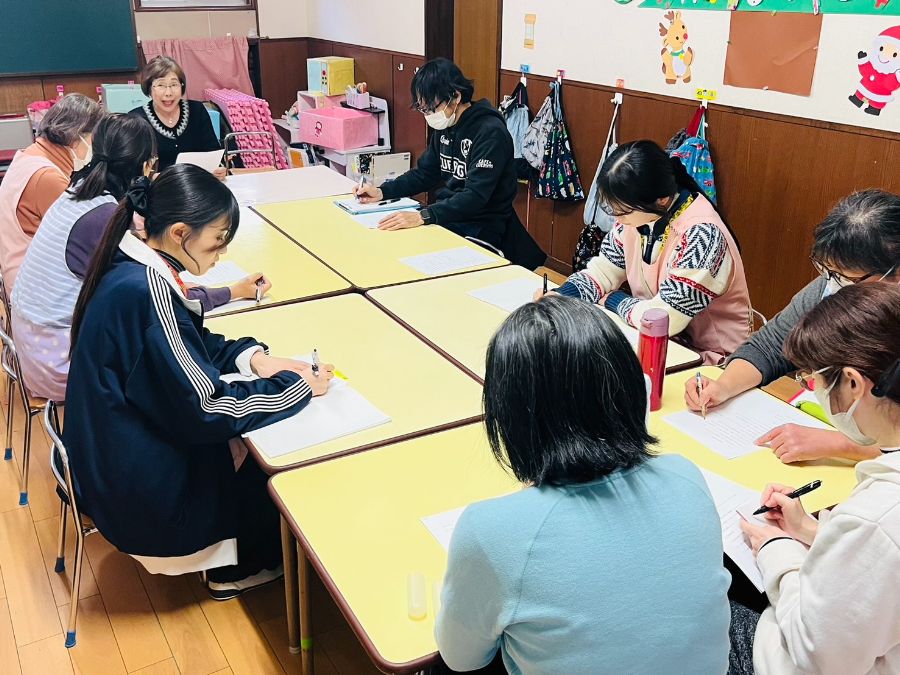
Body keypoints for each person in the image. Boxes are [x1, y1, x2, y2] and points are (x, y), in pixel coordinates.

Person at [64, 164, 333, 599]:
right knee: (272, 451)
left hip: (112, 464)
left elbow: (187, 337)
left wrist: (255, 358)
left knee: (252, 430)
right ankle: (237, 569)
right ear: (179, 233)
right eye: (216, 241)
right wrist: (295, 387)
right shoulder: (147, 290)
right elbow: (208, 409)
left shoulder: (130, 263)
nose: (220, 254)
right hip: (147, 501)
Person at [435, 295, 731, 673]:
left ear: (509, 415)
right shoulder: (686, 476)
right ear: (629, 390)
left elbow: (461, 658)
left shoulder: (490, 531)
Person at [10, 114, 270, 402]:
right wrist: (233, 291)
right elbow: (161, 296)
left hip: (35, 343)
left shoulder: (79, 191)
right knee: (180, 374)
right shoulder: (103, 221)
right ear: (147, 165)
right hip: (62, 363)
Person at [735, 281, 900, 674]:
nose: (814, 389)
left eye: (815, 381)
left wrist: (777, 549)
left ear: (853, 384)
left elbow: (817, 656)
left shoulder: (877, 516)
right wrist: (811, 530)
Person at [685, 190, 899, 464]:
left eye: (847, 277)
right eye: (829, 272)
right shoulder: (835, 285)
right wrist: (723, 386)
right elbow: (770, 345)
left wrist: (840, 444)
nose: (834, 285)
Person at [540, 140, 751, 365]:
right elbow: (603, 271)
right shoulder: (636, 218)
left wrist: (612, 299)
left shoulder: (703, 236)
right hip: (661, 343)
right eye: (612, 208)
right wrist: (563, 295)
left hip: (714, 360)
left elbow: (663, 319)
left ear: (661, 200)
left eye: (623, 211)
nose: (616, 218)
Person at [352, 58, 517, 251]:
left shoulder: (490, 132)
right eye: (424, 109)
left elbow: (475, 197)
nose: (429, 115)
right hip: (449, 218)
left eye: (433, 108)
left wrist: (424, 216)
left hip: (481, 226)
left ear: (456, 96)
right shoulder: (446, 125)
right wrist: (382, 192)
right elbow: (425, 173)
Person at [0, 93, 104, 292]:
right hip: (36, 288)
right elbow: (83, 236)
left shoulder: (30, 155)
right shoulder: (48, 177)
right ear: (76, 137)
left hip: (19, 276)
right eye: (93, 140)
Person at [130, 56, 225, 177]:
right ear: (149, 89)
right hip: (158, 186)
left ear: (182, 86)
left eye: (174, 85)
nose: (168, 93)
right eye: (161, 85)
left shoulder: (197, 110)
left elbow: (213, 151)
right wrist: (151, 177)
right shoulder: (136, 120)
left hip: (196, 183)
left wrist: (219, 168)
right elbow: (132, 169)